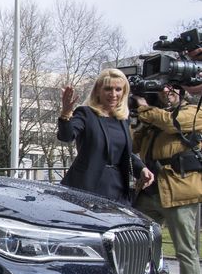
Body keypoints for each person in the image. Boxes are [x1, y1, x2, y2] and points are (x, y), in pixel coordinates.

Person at [132, 85, 202, 274]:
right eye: (163, 88)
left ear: (183, 91)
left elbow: (172, 123)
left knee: (185, 248)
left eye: (173, 87)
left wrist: (143, 108)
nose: (167, 91)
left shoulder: (194, 111)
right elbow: (133, 146)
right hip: (151, 188)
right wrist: (137, 120)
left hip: (180, 190)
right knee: (137, 243)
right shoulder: (152, 117)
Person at [58, 68, 154, 204]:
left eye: (118, 89)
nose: (113, 94)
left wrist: (142, 168)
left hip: (118, 188)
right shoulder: (86, 114)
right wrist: (65, 114)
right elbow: (66, 136)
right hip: (87, 187)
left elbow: (122, 153)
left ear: (124, 92)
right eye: (108, 89)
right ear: (98, 90)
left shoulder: (123, 119)